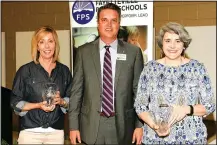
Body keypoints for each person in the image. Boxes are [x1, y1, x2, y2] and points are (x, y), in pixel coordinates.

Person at [69, 3, 144, 145]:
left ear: (119, 23)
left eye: (113, 20)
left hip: (123, 126)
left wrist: (139, 125)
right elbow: (76, 92)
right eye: (104, 20)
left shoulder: (133, 53)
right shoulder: (83, 52)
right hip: (91, 126)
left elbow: (139, 93)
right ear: (98, 23)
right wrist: (73, 126)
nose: (109, 25)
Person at [134, 22, 216, 144]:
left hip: (191, 139)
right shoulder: (149, 69)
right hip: (155, 139)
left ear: (184, 45)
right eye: (168, 41)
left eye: (178, 41)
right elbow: (140, 105)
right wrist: (155, 126)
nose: (173, 46)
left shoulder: (197, 68)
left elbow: (209, 105)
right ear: (162, 44)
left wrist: (186, 109)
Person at [10, 26, 73, 144]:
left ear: (55, 44)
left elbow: (72, 100)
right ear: (37, 46)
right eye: (42, 42)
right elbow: (15, 102)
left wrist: (61, 102)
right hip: (30, 132)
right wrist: (38, 105)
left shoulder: (64, 71)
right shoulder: (25, 71)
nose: (47, 46)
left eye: (50, 41)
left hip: (56, 133)